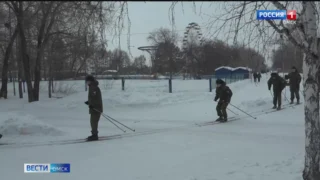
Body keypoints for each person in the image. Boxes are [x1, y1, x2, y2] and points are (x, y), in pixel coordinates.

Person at [84, 75, 103, 141]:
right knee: (93, 122)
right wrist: (89, 102)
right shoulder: (92, 87)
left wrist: (92, 105)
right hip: (94, 108)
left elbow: (96, 99)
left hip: (96, 109)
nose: (86, 82)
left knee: (93, 122)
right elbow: (93, 98)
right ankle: (94, 134)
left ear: (90, 81)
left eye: (87, 81)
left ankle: (95, 135)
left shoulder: (93, 87)